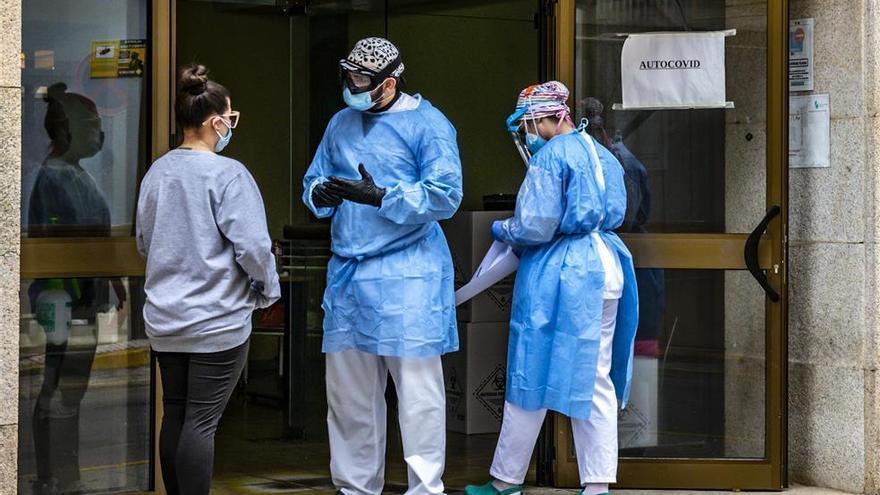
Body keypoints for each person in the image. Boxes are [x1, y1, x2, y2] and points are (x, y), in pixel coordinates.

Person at [302, 37, 462, 495]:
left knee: (417, 396)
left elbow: (446, 195)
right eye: (349, 77)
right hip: (350, 274)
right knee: (349, 399)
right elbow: (315, 177)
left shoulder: (428, 125)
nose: (352, 87)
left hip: (407, 272)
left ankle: (425, 487)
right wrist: (321, 194)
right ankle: (354, 488)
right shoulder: (341, 122)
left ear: (389, 82)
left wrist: (381, 196)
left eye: (362, 80)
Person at [465, 82, 639, 495]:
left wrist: (501, 228)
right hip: (605, 267)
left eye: (529, 123)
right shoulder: (603, 155)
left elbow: (534, 226)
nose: (527, 132)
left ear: (549, 117)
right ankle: (596, 485)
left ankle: (506, 480)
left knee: (529, 370)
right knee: (595, 377)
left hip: (562, 274)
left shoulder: (550, 160)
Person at [136, 64, 280, 495]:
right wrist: (268, 290)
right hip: (217, 320)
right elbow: (253, 248)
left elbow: (144, 241)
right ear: (215, 121)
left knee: (175, 414)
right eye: (230, 118)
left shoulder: (156, 173)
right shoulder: (229, 174)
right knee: (202, 421)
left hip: (166, 319)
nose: (231, 126)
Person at [27, 82, 127, 495]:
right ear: (66, 130)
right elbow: (61, 245)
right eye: (91, 126)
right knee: (60, 389)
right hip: (63, 299)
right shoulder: (53, 178)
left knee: (69, 390)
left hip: (82, 297)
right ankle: (56, 476)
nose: (98, 135)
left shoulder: (76, 175)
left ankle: (62, 474)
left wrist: (114, 279)